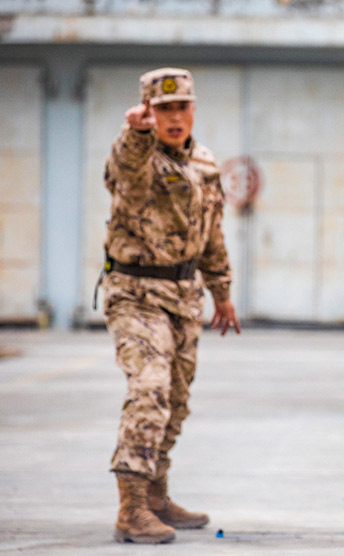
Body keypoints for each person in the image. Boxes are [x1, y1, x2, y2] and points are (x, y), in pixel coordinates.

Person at [100, 67, 240, 544]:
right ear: (148, 114)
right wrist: (133, 134)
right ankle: (131, 509)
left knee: (176, 401)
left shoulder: (204, 163)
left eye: (181, 106)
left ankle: (157, 495)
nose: (174, 117)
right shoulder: (136, 157)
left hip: (183, 296)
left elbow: (212, 234)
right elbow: (124, 172)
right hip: (135, 294)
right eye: (163, 110)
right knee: (150, 387)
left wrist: (220, 290)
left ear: (193, 109)